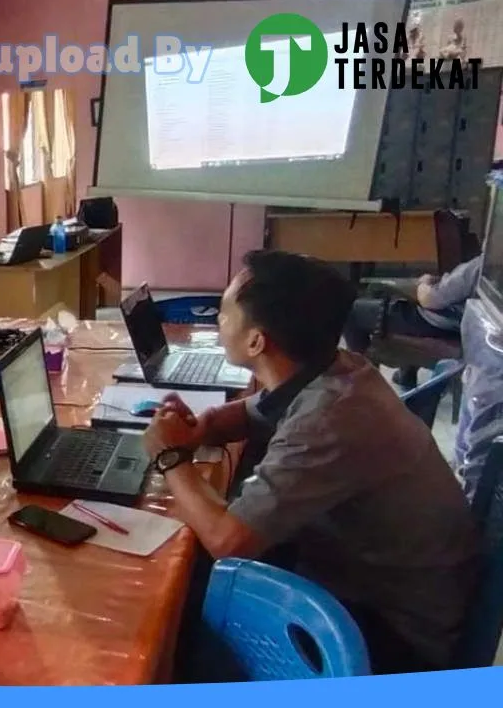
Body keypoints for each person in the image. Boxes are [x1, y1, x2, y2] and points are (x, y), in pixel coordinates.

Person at [143, 250, 479, 674]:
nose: (217, 322)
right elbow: (260, 408)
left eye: (224, 315)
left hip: (394, 633)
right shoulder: (332, 367)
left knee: (172, 596)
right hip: (377, 579)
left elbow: (229, 540)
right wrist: (203, 427)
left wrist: (171, 457)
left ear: (256, 341)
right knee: (187, 563)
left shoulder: (328, 419)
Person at [342, 253, 482, 388]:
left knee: (351, 311)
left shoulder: (481, 265)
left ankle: (362, 381)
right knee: (381, 295)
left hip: (441, 323)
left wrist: (424, 284)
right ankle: (405, 375)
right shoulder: (493, 267)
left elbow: (431, 299)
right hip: (470, 328)